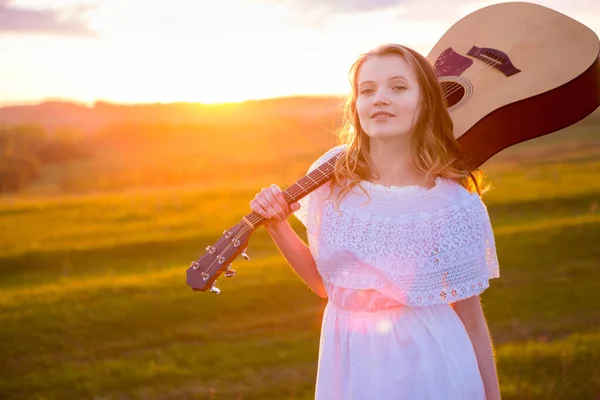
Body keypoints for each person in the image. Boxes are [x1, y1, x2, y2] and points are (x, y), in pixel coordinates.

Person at [249, 43, 502, 400]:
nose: (379, 98)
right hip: (349, 357)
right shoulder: (332, 176)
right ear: (356, 106)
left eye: (398, 87)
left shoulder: (452, 203)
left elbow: (471, 317)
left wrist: (492, 396)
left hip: (429, 362)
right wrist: (277, 225)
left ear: (426, 102)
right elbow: (327, 285)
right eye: (367, 90)